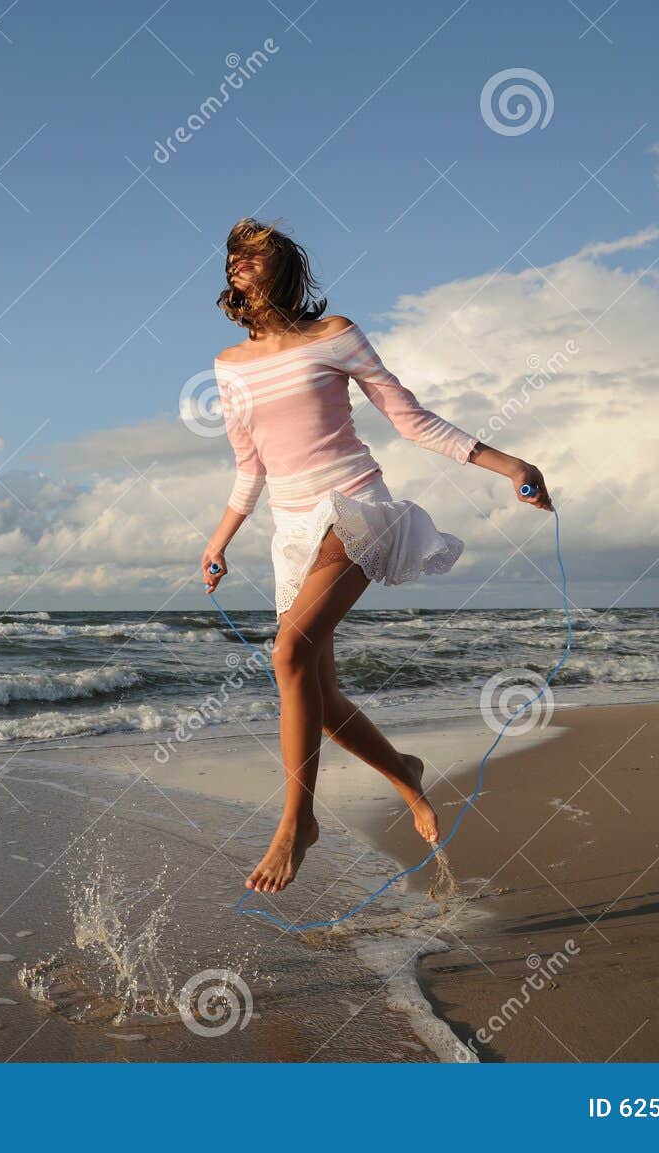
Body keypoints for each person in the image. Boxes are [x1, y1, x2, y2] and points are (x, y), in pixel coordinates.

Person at [200, 219, 553, 895]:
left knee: (286, 655)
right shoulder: (227, 367)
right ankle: (407, 776)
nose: (242, 263)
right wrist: (219, 540)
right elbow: (250, 467)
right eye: (235, 255)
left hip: (354, 507)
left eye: (258, 254)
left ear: (283, 270)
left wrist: (512, 465)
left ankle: (296, 823)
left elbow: (410, 418)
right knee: (321, 697)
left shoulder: (333, 335)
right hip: (291, 528)